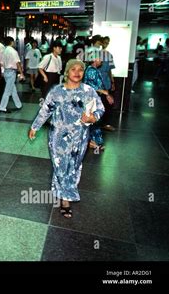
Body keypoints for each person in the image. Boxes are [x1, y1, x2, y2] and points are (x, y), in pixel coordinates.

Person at [28, 60, 105, 219]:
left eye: (80, 70)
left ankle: (60, 191)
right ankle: (66, 200)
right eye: (73, 69)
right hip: (58, 137)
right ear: (67, 72)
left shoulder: (88, 91)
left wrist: (93, 118)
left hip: (80, 137)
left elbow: (100, 108)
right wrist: (35, 127)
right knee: (60, 166)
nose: (77, 73)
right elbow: (45, 110)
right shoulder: (57, 91)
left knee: (73, 167)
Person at [84, 58, 112, 150]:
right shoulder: (91, 70)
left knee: (94, 121)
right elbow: (91, 86)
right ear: (95, 60)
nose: (102, 61)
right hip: (91, 99)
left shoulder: (94, 70)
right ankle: (92, 143)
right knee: (93, 121)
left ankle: (93, 142)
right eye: (99, 59)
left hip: (94, 98)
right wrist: (105, 92)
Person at [0, 37, 24, 113]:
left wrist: (2, 72)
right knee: (7, 91)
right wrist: (21, 73)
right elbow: (17, 63)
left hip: (6, 72)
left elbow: (1, 63)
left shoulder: (4, 51)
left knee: (13, 90)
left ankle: (18, 104)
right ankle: (2, 107)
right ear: (12, 42)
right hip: (12, 72)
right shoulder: (13, 51)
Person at [99, 36, 116, 131]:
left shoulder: (109, 55)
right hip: (97, 81)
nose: (106, 44)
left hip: (106, 81)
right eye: (104, 42)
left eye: (107, 42)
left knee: (107, 104)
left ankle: (105, 123)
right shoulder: (95, 54)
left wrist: (112, 82)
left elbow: (110, 70)